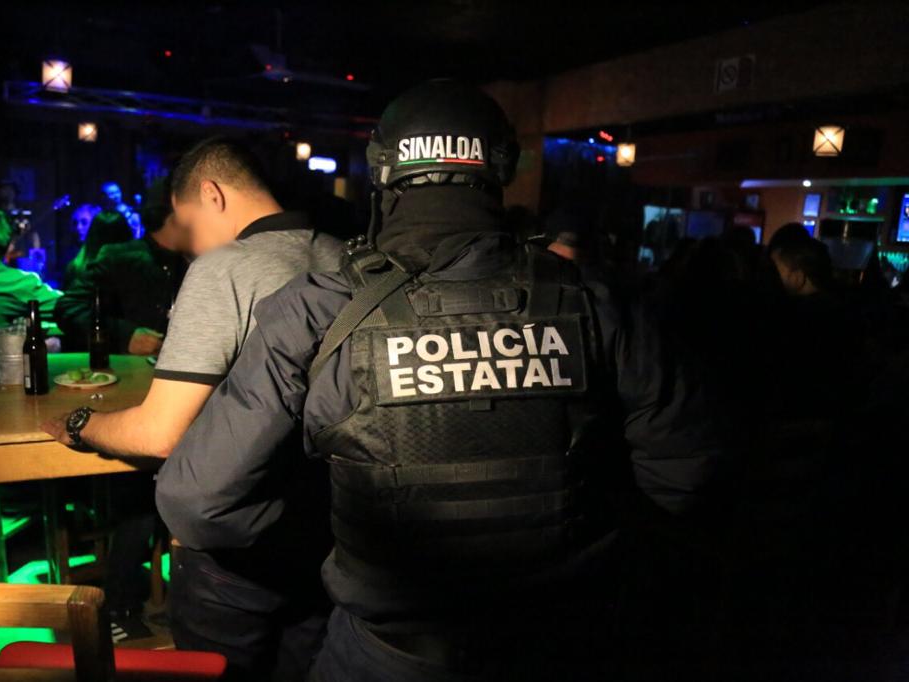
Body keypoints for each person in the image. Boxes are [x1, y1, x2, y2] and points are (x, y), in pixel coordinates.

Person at [155, 81, 722, 682]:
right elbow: (691, 475)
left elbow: (196, 500)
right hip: (566, 645)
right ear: (501, 167)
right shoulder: (597, 302)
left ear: (383, 172)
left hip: (387, 657)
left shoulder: (319, 308)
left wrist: (344, 518)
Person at [43, 138, 342, 680]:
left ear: (212, 194)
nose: (189, 245)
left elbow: (159, 434)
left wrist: (81, 423)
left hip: (239, 542)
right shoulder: (347, 257)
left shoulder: (225, 269)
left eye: (187, 224)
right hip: (330, 535)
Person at [54, 179, 189, 354]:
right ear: (178, 214)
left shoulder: (199, 263)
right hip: (131, 370)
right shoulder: (120, 259)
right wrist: (124, 335)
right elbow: (68, 308)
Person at [62, 210, 134, 292]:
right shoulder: (139, 265)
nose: (78, 228)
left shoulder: (78, 267)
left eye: (84, 222)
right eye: (75, 223)